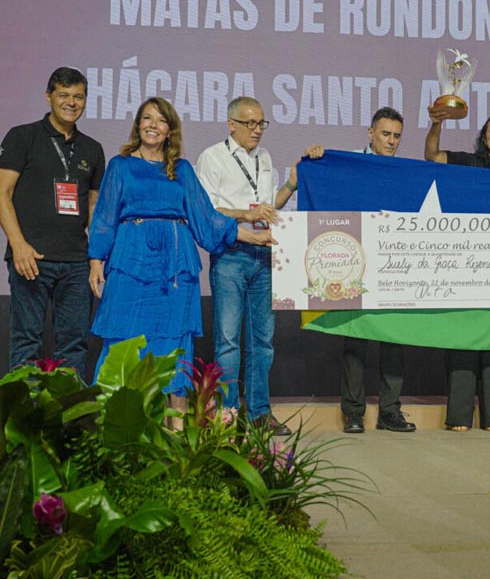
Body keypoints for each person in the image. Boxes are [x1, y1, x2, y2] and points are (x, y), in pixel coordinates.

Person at [88, 97, 274, 396]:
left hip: (175, 267)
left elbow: (207, 218)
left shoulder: (183, 170)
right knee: (124, 336)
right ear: (138, 124)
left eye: (161, 121)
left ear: (170, 130)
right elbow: (104, 217)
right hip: (130, 263)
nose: (153, 125)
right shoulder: (120, 166)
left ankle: (173, 430)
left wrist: (253, 236)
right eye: (147, 118)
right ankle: (115, 423)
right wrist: (96, 260)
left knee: (172, 342)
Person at [195, 97, 301, 436]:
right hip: (230, 256)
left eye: (262, 124)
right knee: (227, 340)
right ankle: (226, 414)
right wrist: (246, 214)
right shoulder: (212, 157)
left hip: (264, 257)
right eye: (250, 124)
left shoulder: (265, 157)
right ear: (231, 124)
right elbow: (207, 209)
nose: (257, 131)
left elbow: (268, 207)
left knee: (262, 341)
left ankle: (258, 412)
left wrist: (291, 184)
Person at [0, 67, 106, 378]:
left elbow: (95, 209)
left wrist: (96, 258)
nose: (72, 102)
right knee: (26, 342)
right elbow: (1, 194)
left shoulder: (93, 149)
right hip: (31, 258)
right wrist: (18, 245)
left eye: (78, 96)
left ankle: (67, 425)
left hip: (76, 263)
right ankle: (23, 425)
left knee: (73, 345)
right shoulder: (22, 137)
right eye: (64, 95)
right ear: (48, 97)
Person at [426, 109, 490, 430]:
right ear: (484, 138)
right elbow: (431, 156)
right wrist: (437, 122)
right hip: (466, 265)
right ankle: (458, 416)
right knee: (464, 340)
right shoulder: (468, 162)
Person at [323, 107, 416, 434]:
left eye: (396, 136)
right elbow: (321, 177)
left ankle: (390, 412)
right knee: (355, 344)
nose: (391, 141)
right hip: (355, 263)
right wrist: (314, 159)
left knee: (394, 342)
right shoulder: (348, 163)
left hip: (393, 265)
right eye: (385, 134)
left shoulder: (404, 171)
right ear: (370, 133)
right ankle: (353, 413)